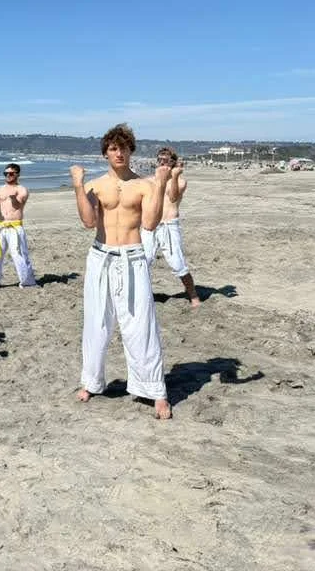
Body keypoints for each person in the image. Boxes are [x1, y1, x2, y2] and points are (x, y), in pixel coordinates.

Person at [70, 124, 172, 420]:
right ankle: (91, 382)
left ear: (131, 151)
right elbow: (88, 222)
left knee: (141, 323)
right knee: (96, 322)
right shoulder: (96, 186)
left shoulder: (144, 185)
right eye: (113, 148)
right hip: (100, 256)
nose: (119, 153)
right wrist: (78, 186)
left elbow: (150, 223)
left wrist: (161, 184)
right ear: (105, 153)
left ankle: (155, 390)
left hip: (132, 257)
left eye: (123, 148)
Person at [141, 148, 201, 307]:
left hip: (169, 225)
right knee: (142, 261)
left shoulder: (180, 181)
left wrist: (174, 175)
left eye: (166, 160)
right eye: (159, 159)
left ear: (173, 162)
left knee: (177, 264)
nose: (162, 162)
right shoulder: (149, 180)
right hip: (150, 227)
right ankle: (142, 294)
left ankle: (193, 296)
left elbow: (173, 197)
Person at [0, 163, 37, 288]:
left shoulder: (22, 190)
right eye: (5, 173)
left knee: (19, 255)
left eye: (11, 173)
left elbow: (17, 206)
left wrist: (13, 198)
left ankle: (27, 282)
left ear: (17, 174)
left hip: (14, 227)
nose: (8, 175)